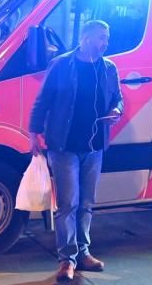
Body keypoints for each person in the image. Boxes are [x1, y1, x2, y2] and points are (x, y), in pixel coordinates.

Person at [29, 19, 124, 282]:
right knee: (68, 204)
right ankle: (66, 260)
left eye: (107, 38)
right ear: (85, 39)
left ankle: (84, 253)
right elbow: (43, 100)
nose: (105, 42)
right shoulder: (62, 65)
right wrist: (33, 132)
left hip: (94, 147)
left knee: (86, 203)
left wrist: (116, 110)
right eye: (101, 37)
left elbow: (117, 97)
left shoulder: (108, 68)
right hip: (64, 145)